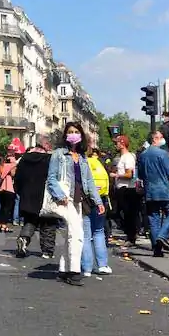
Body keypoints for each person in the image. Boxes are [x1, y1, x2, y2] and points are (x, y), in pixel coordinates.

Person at [46, 122, 100, 285]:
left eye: (76, 132)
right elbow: (51, 178)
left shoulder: (83, 157)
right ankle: (74, 271)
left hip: (78, 200)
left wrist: (97, 200)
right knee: (76, 234)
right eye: (70, 132)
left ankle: (63, 269)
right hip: (65, 199)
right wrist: (59, 194)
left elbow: (89, 181)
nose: (73, 134)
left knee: (70, 234)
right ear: (65, 135)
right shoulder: (58, 154)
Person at [138, 130, 169, 257]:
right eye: (160, 137)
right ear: (154, 139)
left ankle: (157, 249)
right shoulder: (163, 154)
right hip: (166, 190)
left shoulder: (143, 155)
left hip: (150, 191)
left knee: (153, 218)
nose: (162, 139)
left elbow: (140, 174)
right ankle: (162, 236)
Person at [14, 134, 56, 258]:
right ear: (46, 145)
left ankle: (24, 238)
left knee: (30, 220)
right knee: (48, 223)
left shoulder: (24, 158)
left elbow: (18, 177)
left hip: (27, 194)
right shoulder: (50, 159)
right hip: (45, 195)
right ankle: (47, 251)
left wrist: (20, 191)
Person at [83, 139, 112, 277]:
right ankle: (103, 265)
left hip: (86, 200)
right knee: (99, 232)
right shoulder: (98, 162)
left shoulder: (83, 162)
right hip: (102, 199)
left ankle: (87, 267)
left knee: (86, 234)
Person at [111, 135, 141, 246]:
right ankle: (130, 235)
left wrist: (116, 175)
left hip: (127, 189)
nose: (115, 145)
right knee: (121, 213)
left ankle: (131, 237)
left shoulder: (128, 157)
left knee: (128, 214)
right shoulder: (122, 157)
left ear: (122, 144)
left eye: (117, 143)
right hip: (122, 188)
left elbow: (129, 174)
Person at [0, 153, 17, 233]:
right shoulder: (12, 166)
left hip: (0, 188)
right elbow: (13, 174)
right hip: (9, 188)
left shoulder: (1, 166)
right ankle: (4, 225)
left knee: (2, 207)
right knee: (7, 208)